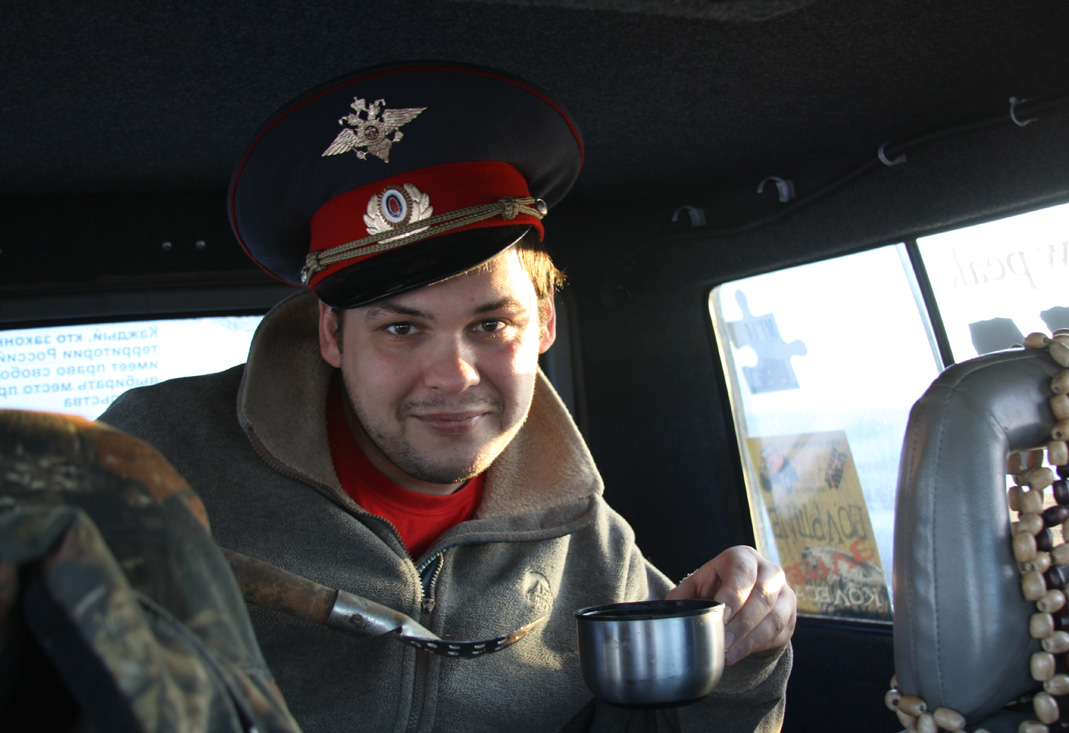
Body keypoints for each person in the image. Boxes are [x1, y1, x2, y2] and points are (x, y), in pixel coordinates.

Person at [100, 62, 795, 732]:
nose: (454, 376)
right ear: (332, 335)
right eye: (402, 329)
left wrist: (742, 649)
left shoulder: (592, 545)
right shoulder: (152, 460)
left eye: (490, 325)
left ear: (543, 324)